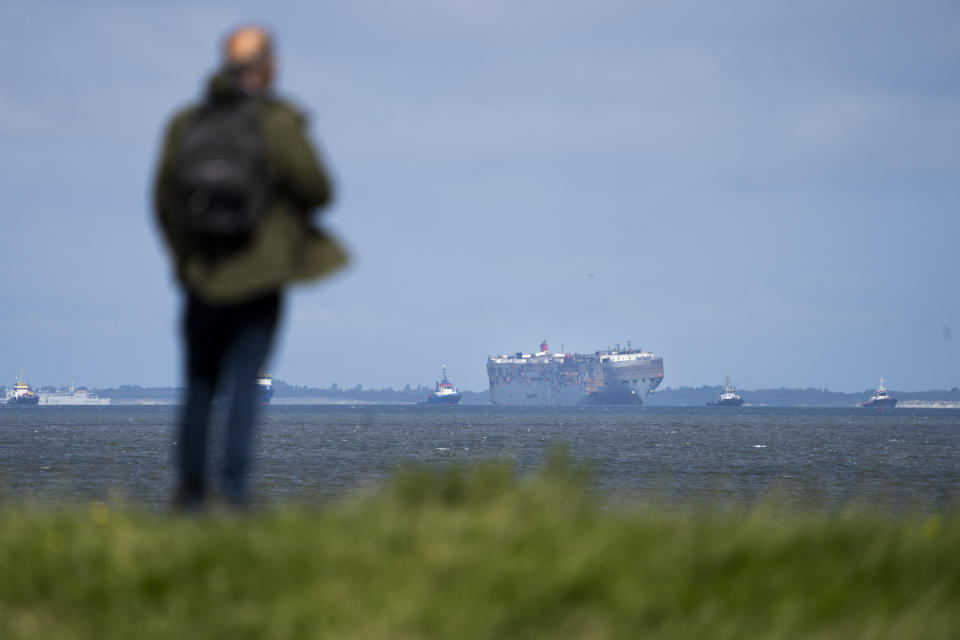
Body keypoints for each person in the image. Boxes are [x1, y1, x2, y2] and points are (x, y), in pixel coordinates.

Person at [153, 26, 346, 510]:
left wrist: (185, 261)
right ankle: (234, 492)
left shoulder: (186, 122)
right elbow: (319, 189)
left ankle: (189, 494)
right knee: (245, 384)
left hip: (201, 276)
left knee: (198, 384)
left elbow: (163, 200)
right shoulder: (274, 122)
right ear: (266, 65)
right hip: (260, 276)